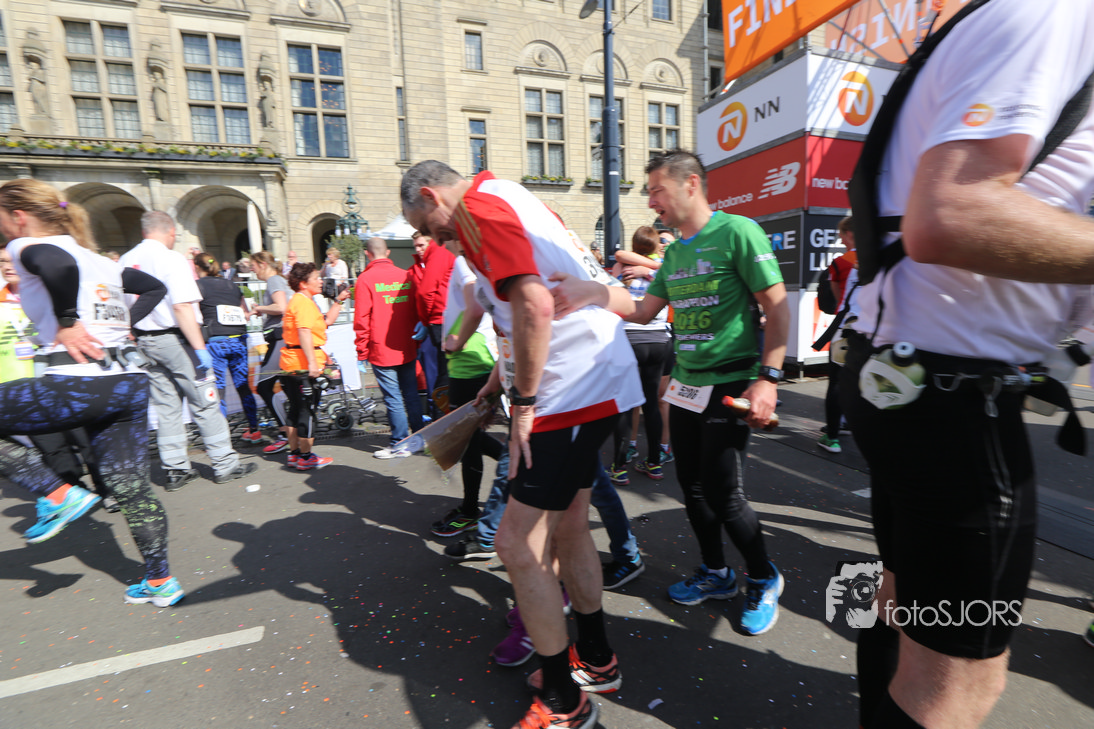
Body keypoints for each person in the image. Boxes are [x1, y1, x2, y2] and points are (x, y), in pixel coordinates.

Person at [842, 4, 1094, 728]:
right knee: (959, 683)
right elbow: (952, 213)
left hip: (904, 378)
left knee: (903, 604)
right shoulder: (1060, 12)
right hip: (955, 396)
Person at [401, 160, 642, 729]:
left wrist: (526, 404)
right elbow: (519, 313)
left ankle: (563, 701)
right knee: (569, 526)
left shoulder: (477, 210)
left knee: (515, 545)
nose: (439, 239)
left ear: (432, 196)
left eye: (430, 228)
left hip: (570, 390)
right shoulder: (504, 196)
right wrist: (499, 383)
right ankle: (596, 659)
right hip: (590, 381)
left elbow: (534, 304)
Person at [623, 150, 788, 636]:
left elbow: (778, 307)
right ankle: (717, 573)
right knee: (692, 488)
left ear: (690, 184)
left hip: (731, 384)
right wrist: (589, 294)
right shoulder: (674, 253)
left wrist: (769, 378)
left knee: (724, 493)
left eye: (657, 190)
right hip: (686, 385)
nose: (651, 201)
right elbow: (641, 312)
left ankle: (763, 575)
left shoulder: (738, 232)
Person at [0, 178, 184, 607]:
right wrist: (124, 326)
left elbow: (58, 265)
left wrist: (67, 322)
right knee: (132, 488)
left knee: (122, 487)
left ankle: (58, 493)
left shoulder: (25, 245)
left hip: (78, 381)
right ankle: (160, 581)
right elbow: (154, 288)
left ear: (19, 217)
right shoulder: (100, 260)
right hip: (127, 384)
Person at [121, 211, 257, 489]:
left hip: (146, 340)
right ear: (170, 231)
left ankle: (176, 469)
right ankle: (225, 464)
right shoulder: (171, 259)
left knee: (167, 407)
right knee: (205, 401)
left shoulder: (125, 259)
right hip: (178, 340)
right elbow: (182, 306)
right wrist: (199, 348)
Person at [433, 254, 504, 535]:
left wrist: (457, 341)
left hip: (469, 360)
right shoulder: (475, 258)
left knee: (467, 441)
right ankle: (517, 465)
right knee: (471, 435)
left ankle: (470, 511)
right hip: (478, 356)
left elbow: (475, 306)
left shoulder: (464, 258)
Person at [606, 225, 671, 485]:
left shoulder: (621, 267)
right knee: (651, 403)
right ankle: (654, 463)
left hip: (628, 338)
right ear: (656, 245)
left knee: (624, 403)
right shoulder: (665, 267)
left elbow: (611, 294)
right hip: (658, 340)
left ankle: (619, 466)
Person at [352, 237, 423, 458]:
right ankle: (418, 437)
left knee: (393, 398)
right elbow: (416, 310)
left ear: (367, 254)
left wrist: (361, 351)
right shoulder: (405, 275)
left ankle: (399, 442)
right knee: (411, 393)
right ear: (388, 252)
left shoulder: (365, 279)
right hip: (407, 344)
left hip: (381, 348)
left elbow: (362, 320)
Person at [280, 261, 350, 470]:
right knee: (307, 411)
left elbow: (325, 322)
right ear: (303, 283)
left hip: (293, 363)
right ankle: (305, 457)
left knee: (296, 410)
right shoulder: (302, 302)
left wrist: (338, 301)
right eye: (316, 278)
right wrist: (312, 363)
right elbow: (304, 332)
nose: (321, 281)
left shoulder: (303, 301)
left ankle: (295, 455)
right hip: (302, 366)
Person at [193, 252, 261, 442]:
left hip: (216, 342)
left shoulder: (197, 286)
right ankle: (254, 430)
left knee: (218, 390)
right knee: (243, 387)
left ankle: (221, 438)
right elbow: (244, 313)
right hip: (238, 340)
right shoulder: (232, 284)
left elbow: (194, 316)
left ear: (197, 267)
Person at [817, 216, 857, 454]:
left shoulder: (841, 262)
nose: (841, 240)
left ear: (850, 234)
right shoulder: (880, 259)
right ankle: (850, 424)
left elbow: (836, 298)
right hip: (875, 331)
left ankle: (831, 436)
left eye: (842, 235)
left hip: (846, 329)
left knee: (837, 382)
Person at [409, 230, 455, 416]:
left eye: (421, 245)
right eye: (416, 246)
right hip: (442, 319)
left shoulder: (437, 254)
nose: (419, 249)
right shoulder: (440, 254)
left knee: (444, 374)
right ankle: (442, 415)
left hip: (439, 320)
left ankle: (441, 416)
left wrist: (426, 320)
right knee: (444, 372)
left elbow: (425, 292)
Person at [250, 250, 292, 453]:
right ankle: (293, 431)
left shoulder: (274, 280)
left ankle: (285, 434)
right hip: (282, 337)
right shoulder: (279, 279)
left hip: (280, 337)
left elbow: (281, 307)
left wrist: (259, 308)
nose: (253, 270)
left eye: (254, 266)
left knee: (264, 386)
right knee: (288, 386)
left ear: (263, 264)